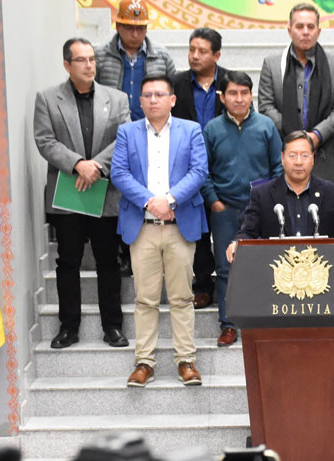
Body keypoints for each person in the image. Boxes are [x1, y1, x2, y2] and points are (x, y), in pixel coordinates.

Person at [33, 37, 131, 350]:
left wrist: (95, 167)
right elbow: (45, 141)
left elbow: (124, 139)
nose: (89, 65)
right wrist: (77, 164)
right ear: (67, 65)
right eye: (82, 60)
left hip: (104, 191)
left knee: (108, 261)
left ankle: (113, 327)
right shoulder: (48, 99)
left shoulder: (116, 98)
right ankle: (68, 327)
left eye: (92, 59)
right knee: (68, 262)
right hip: (68, 193)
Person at [112, 73, 209, 387]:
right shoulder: (127, 132)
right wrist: (149, 202)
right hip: (143, 227)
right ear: (139, 101)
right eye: (147, 95)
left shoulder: (191, 130)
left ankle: (186, 361)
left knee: (182, 297)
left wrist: (169, 199)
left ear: (172, 100)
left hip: (180, 225)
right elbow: (119, 173)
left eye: (159, 94)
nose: (153, 100)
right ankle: (144, 362)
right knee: (145, 299)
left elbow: (199, 171)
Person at [201, 70, 282, 347]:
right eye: (232, 93)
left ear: (251, 95)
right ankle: (228, 323)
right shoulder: (212, 129)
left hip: (258, 209)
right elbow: (203, 170)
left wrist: (268, 201)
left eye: (244, 93)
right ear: (223, 97)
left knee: (263, 266)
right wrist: (214, 200)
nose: (239, 98)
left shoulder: (266, 126)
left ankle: (260, 319)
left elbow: (277, 168)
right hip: (224, 210)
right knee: (225, 268)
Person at [257, 2, 334, 188]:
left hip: (322, 154)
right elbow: (266, 106)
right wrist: (296, 137)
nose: (305, 31)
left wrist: (315, 136)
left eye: (310, 27)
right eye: (299, 26)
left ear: (319, 31)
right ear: (290, 31)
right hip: (284, 152)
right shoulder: (273, 64)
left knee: (325, 212)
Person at [171, 27, 229, 312]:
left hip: (223, 169)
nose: (194, 56)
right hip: (188, 170)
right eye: (191, 49)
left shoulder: (230, 82)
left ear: (216, 54)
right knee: (198, 231)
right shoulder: (177, 84)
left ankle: (231, 287)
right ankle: (203, 286)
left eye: (202, 51)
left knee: (227, 229)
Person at [228, 131, 334, 259]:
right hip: (276, 271)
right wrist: (236, 244)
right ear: (282, 158)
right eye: (292, 155)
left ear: (313, 158)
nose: (298, 162)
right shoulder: (261, 194)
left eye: (305, 155)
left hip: (320, 273)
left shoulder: (332, 192)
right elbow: (248, 233)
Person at [95, 0, 177, 122]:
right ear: (118, 26)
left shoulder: (161, 56)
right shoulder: (100, 55)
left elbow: (173, 90)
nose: (135, 34)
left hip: (152, 125)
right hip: (111, 126)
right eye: (129, 28)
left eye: (140, 28)